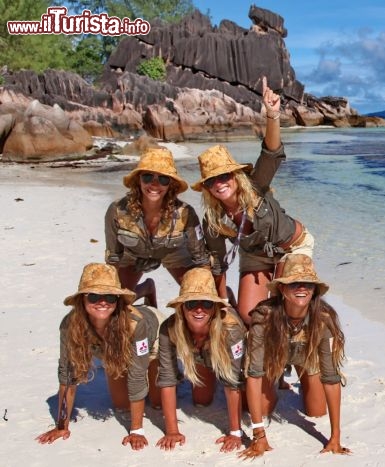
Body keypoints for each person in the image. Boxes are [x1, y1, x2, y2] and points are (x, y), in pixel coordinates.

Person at [191, 77, 314, 326]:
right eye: (211, 181)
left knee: (291, 307)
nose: (219, 183)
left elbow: (272, 152)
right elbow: (217, 261)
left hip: (291, 247)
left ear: (236, 176)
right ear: (206, 187)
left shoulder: (256, 185)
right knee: (250, 318)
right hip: (256, 256)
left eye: (224, 175)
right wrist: (221, 303)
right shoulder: (213, 218)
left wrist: (272, 115)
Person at [36, 263, 162, 451]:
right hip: (112, 352)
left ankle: (146, 289)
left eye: (110, 297)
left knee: (156, 401)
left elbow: (137, 373)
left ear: (118, 301)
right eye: (94, 296)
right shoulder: (69, 325)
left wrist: (137, 430)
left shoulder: (136, 324)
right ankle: (144, 289)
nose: (102, 302)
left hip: (152, 340)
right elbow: (67, 374)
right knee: (121, 406)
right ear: (82, 300)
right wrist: (62, 425)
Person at [240, 254, 350, 459]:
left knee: (317, 411)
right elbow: (253, 375)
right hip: (273, 359)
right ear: (282, 289)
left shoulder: (324, 319)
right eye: (294, 284)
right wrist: (258, 434)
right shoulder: (264, 316)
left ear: (314, 290)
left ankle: (300, 380)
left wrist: (335, 437)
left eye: (307, 284)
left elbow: (332, 377)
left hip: (305, 358)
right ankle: (278, 379)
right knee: (262, 410)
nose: (302, 288)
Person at [155, 267, 251, 453]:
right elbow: (167, 379)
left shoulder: (230, 330)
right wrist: (172, 431)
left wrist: (235, 432)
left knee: (259, 408)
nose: (199, 309)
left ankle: (231, 303)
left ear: (214, 308)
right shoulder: (169, 328)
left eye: (206, 304)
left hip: (232, 358)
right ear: (182, 307)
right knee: (201, 400)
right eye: (192, 303)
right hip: (202, 358)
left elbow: (232, 383)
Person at [105, 147, 210, 305]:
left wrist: (211, 293)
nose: (154, 184)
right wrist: (110, 291)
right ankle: (147, 289)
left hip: (174, 255)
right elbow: (113, 258)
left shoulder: (185, 213)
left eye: (163, 179)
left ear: (171, 185)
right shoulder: (117, 211)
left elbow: (202, 258)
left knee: (197, 300)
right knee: (117, 303)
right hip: (134, 255)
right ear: (138, 180)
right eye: (147, 177)